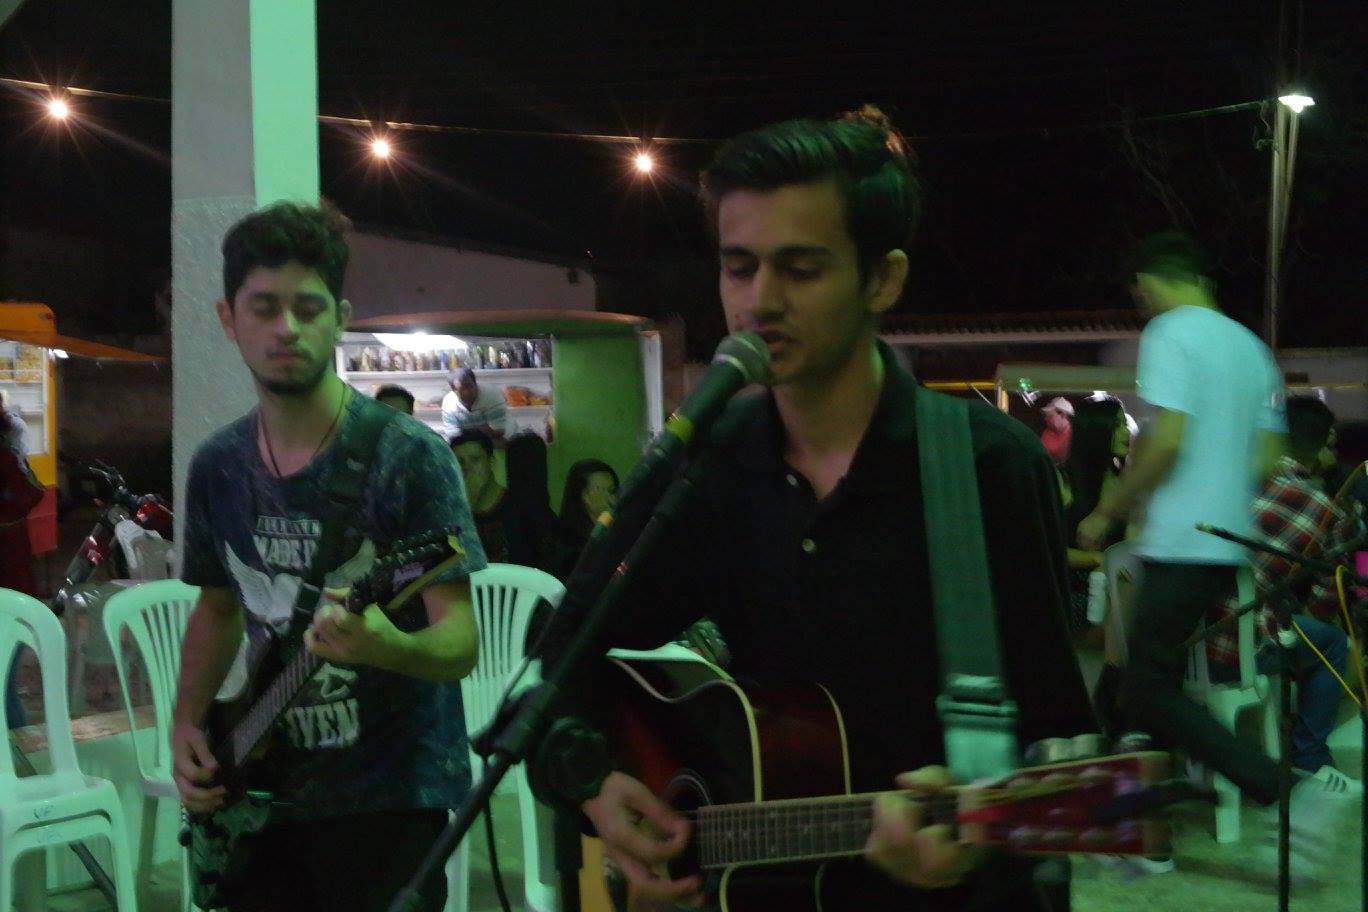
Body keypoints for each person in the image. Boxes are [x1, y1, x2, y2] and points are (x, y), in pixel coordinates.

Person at [573, 108, 1093, 910]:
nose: (759, 301)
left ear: (882, 279)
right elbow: (562, 659)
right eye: (739, 267)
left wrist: (976, 827)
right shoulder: (711, 464)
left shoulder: (987, 467)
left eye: (801, 269)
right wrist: (599, 785)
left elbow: (1060, 742)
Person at [171, 201, 485, 912]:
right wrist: (187, 724)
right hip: (258, 792)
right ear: (228, 319)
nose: (287, 327)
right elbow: (217, 609)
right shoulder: (218, 465)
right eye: (264, 307)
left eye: (308, 308)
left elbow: (461, 641)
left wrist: (387, 646)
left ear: (340, 318)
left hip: (389, 802)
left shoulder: (409, 458)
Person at [1077, 232, 1352, 877]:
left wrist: (1109, 511)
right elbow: (1265, 460)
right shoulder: (1253, 350)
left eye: (1140, 294)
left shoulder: (1170, 332)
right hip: (1228, 546)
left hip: (1180, 541)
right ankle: (1148, 833)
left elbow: (1168, 438)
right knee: (1156, 688)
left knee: (1143, 690)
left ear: (1147, 284)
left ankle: (1291, 791)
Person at [1205, 396, 1360, 794]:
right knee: (1332, 643)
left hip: (1187, 643)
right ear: (1324, 444)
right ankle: (1310, 757)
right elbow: (1328, 599)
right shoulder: (1327, 509)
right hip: (1235, 652)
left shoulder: (1233, 481)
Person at [1058, 397, 1130, 631]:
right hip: (1072, 590)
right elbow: (1045, 548)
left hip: (1116, 589)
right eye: (1117, 425)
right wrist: (1097, 559)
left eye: (1125, 424)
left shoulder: (1123, 483)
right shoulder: (1064, 481)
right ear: (1096, 430)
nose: (1126, 431)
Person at [451, 429, 558, 571]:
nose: (467, 468)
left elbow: (552, 557)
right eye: (460, 462)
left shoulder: (524, 506)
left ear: (491, 462)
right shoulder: (453, 513)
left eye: (475, 459)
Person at [1, 442, 43, 729]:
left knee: (4, 690)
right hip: (17, 591)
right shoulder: (9, 455)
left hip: (10, 593)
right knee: (6, 688)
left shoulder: (5, 457)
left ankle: (19, 751)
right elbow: (33, 492)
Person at [554, 458, 619, 578]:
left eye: (615, 490)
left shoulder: (617, 530)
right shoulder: (567, 548)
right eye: (610, 491)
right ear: (585, 496)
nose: (614, 498)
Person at [441, 367, 507, 444]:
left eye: (469, 386)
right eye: (461, 389)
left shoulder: (492, 396)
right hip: (466, 443)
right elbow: (453, 437)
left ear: (475, 383)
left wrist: (468, 432)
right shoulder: (449, 403)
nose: (467, 392)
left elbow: (499, 431)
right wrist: (481, 429)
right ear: (453, 390)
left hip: (498, 439)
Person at [1039, 397, 1074, 466]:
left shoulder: (1073, 434)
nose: (1045, 419)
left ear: (1063, 415)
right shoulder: (1047, 432)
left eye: (1050, 416)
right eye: (1046, 416)